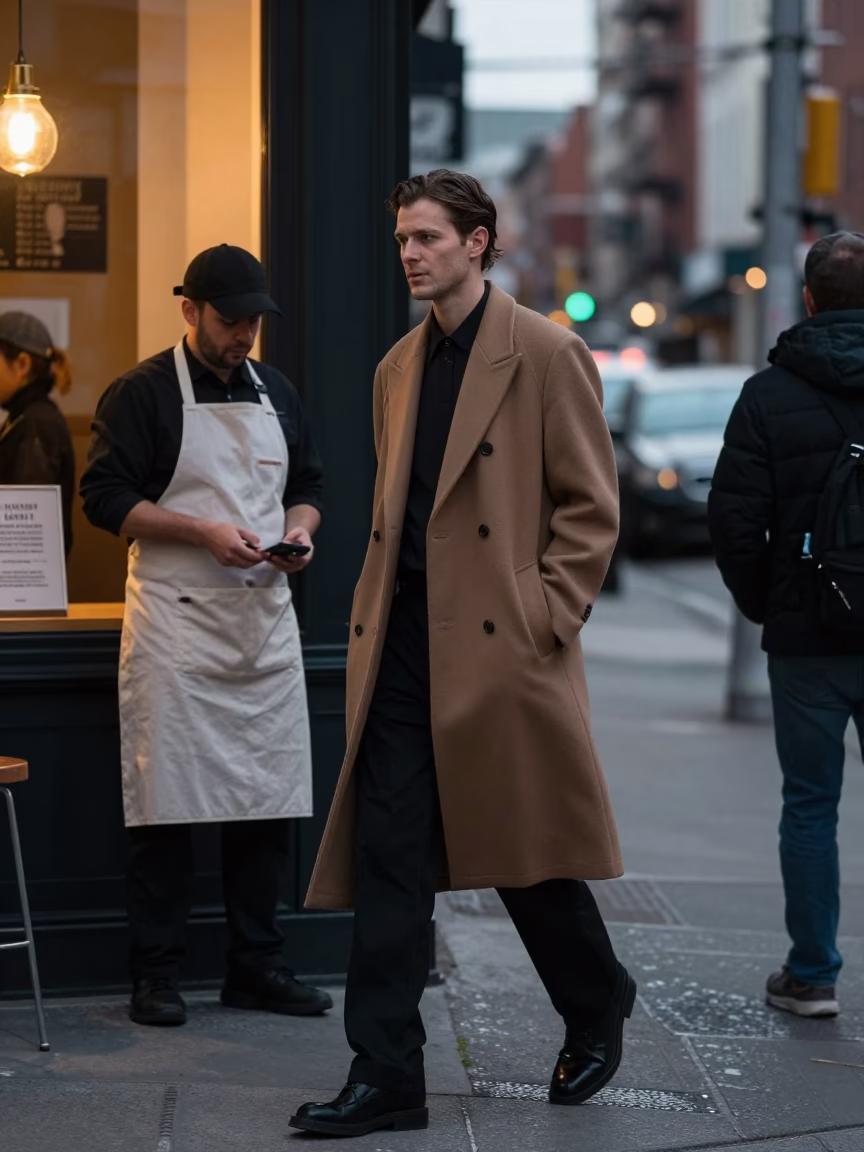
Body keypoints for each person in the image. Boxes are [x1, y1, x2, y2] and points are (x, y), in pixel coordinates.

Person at [291, 171, 633, 1139]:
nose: (410, 254)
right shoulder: (396, 368)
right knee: (389, 859)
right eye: (403, 238)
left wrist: (544, 618)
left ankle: (598, 996)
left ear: (478, 243)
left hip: (499, 652)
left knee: (524, 858)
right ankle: (386, 1072)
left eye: (428, 238)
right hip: (403, 651)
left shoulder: (546, 353)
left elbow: (591, 510)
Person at [80, 244, 332, 1027]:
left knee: (264, 807)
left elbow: (309, 486)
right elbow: (102, 497)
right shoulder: (142, 393)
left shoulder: (278, 392)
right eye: (231, 321)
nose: (244, 335)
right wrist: (201, 531)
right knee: (165, 807)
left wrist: (299, 533)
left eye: (254, 321)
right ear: (189, 310)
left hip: (260, 621)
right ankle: (155, 974)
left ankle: (256, 966)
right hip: (178, 623)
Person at [709, 231, 864, 1018]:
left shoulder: (769, 393)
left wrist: (769, 604)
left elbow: (734, 521)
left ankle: (813, 974)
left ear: (807, 300)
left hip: (808, 637)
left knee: (810, 803)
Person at [0, 311, 75, 557]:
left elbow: (23, 525)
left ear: (22, 364)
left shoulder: (37, 424)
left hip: (25, 585)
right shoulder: (24, 417)